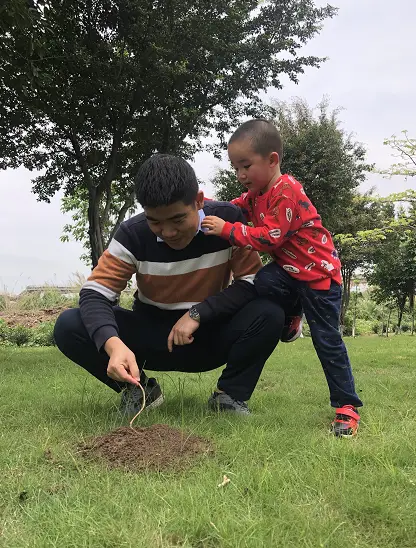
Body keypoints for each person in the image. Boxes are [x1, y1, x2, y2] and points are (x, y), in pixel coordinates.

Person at [54, 154, 287, 416]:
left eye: (177, 220)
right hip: (152, 338)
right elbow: (95, 294)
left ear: (198, 201)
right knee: (69, 325)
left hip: (210, 336)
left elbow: (250, 281)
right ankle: (140, 390)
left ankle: (229, 397)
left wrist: (199, 313)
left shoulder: (226, 222)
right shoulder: (132, 234)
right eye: (155, 221)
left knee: (270, 311)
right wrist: (113, 345)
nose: (168, 232)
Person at [202, 119, 363, 437]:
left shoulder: (286, 190)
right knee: (262, 282)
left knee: (327, 342)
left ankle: (347, 407)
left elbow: (269, 238)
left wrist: (229, 231)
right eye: (236, 168)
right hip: (288, 274)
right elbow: (233, 208)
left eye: (246, 165)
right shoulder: (256, 194)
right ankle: (293, 314)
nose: (240, 175)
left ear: (272, 160)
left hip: (318, 278)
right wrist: (200, 206)